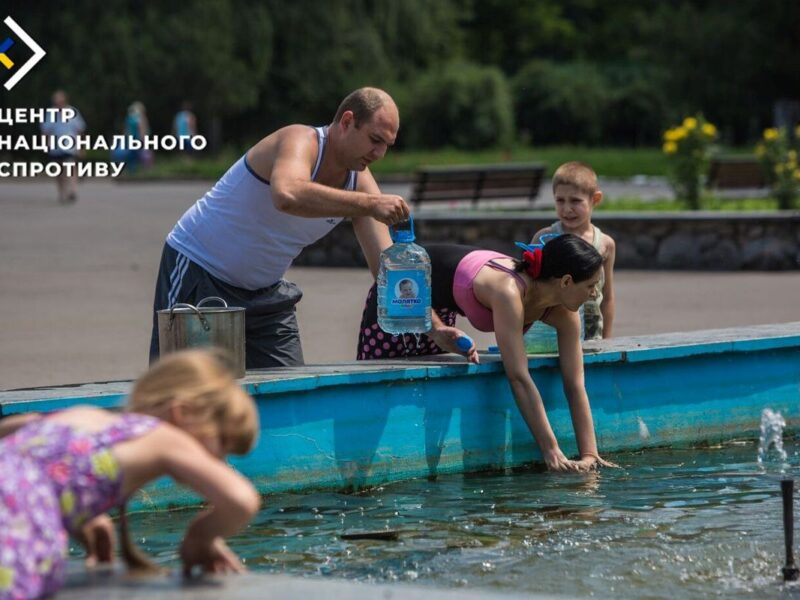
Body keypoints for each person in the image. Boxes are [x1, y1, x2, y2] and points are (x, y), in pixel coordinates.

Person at [149, 87, 409, 369]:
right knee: (182, 395)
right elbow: (288, 195)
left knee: (290, 397)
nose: (380, 153)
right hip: (200, 272)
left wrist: (434, 327)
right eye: (375, 140)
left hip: (265, 296)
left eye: (386, 145)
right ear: (347, 122)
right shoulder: (300, 139)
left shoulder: (359, 181)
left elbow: (387, 272)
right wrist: (369, 204)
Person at [0, 350, 261, 599]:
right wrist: (200, 538)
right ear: (181, 413)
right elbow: (242, 500)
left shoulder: (86, 415)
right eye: (223, 443)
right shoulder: (165, 436)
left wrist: (73, 506)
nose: (220, 462)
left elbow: (18, 437)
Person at [357, 234, 617, 473]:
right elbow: (518, 376)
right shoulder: (509, 291)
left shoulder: (565, 312)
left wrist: (590, 455)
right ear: (566, 281)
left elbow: (575, 383)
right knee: (376, 400)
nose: (595, 294)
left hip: (443, 308)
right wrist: (551, 451)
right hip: (404, 290)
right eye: (591, 286)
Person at [530, 161, 616, 339]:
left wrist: (608, 341)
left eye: (575, 201)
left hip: (592, 334)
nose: (567, 209)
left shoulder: (605, 244)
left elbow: (607, 297)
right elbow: (529, 289)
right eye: (560, 201)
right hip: (552, 332)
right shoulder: (544, 238)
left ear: (595, 199)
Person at [39, 90, 86, 204]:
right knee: (59, 172)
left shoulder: (73, 112)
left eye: (60, 100)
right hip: (55, 147)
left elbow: (79, 130)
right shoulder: (50, 113)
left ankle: (73, 190)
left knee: (70, 167)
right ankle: (62, 193)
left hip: (70, 146)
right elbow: (45, 130)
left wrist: (81, 147)